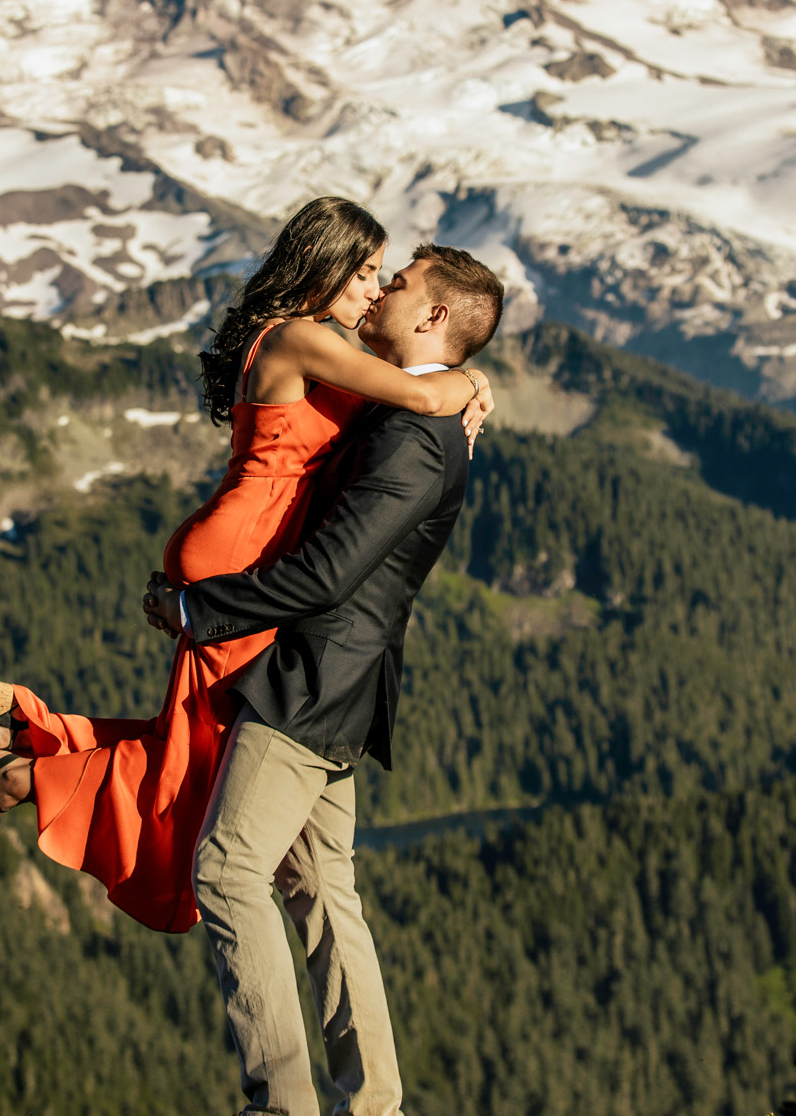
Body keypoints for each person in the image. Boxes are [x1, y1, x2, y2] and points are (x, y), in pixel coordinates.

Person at [0, 197, 495, 936]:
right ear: (325, 266)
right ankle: (17, 777)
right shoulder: (300, 338)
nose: (375, 292)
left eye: (385, 278)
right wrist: (471, 383)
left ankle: (12, 728)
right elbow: (418, 391)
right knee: (188, 770)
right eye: (366, 274)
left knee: (187, 741)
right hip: (243, 548)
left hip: (235, 537)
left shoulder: (304, 336)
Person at [143, 243, 507, 1116]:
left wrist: (198, 611)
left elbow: (327, 576)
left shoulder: (418, 441)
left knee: (230, 871)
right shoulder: (418, 409)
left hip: (311, 682)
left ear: (432, 317)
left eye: (401, 282)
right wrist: (468, 382)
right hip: (332, 679)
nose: (381, 288)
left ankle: (284, 1104)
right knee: (316, 886)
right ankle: (372, 1102)